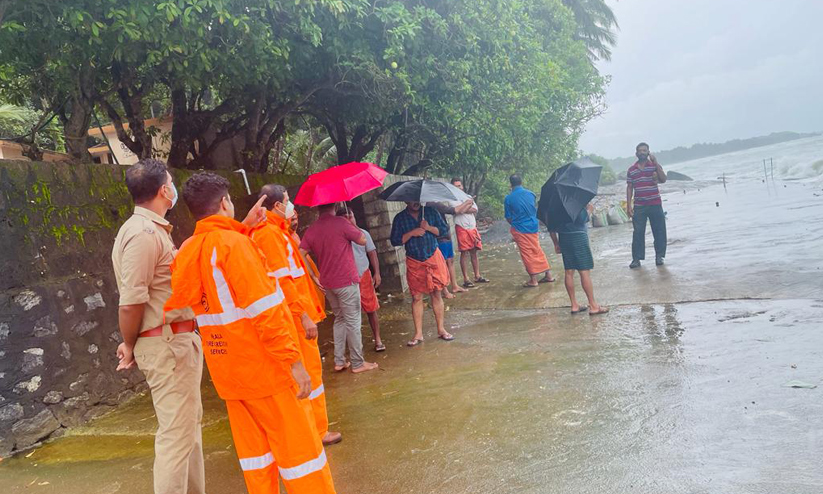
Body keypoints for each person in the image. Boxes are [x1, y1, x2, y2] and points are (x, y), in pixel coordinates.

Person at [164, 172, 336, 493]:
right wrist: (294, 363)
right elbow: (266, 312)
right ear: (225, 202)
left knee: (257, 462)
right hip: (266, 373)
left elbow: (211, 281)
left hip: (230, 377)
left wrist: (241, 225)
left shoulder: (190, 249)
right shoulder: (236, 246)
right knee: (302, 457)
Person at [111, 158, 204, 494]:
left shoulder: (148, 231)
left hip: (175, 342)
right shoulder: (144, 234)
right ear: (165, 190)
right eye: (171, 182)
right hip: (167, 345)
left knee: (187, 429)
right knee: (176, 437)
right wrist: (130, 342)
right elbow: (131, 301)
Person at [252, 184, 342, 447]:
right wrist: (302, 315)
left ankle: (316, 427)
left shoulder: (278, 233)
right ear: (277, 206)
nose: (292, 206)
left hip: (296, 314)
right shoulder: (269, 235)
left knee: (309, 373)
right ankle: (316, 431)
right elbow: (283, 281)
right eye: (288, 201)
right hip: (294, 318)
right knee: (308, 373)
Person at [300, 203, 379, 374]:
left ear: (317, 208)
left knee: (340, 318)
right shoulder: (341, 223)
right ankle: (358, 363)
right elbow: (362, 240)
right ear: (335, 205)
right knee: (352, 321)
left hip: (328, 283)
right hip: (346, 280)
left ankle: (339, 361)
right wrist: (350, 224)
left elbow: (300, 253)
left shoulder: (312, 229)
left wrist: (314, 276)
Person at [390, 202, 454, 346]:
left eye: (416, 198)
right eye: (410, 199)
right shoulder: (400, 218)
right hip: (414, 260)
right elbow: (395, 241)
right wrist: (412, 233)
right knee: (416, 297)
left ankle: (441, 329)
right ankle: (418, 334)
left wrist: (428, 228)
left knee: (436, 293)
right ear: (405, 200)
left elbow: (444, 231)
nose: (414, 202)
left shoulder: (431, 212)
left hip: (432, 256)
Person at [337, 206, 385, 352]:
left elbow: (372, 253)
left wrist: (376, 273)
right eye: (344, 218)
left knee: (371, 308)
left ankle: (378, 339)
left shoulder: (363, 234)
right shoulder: (338, 237)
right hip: (346, 278)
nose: (348, 220)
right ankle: (355, 347)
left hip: (363, 274)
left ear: (354, 216)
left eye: (350, 216)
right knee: (349, 313)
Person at [549, 204, 609, 316]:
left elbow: (551, 227)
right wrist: (589, 210)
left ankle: (574, 305)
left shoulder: (555, 205)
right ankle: (593, 306)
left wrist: (556, 243)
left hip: (564, 238)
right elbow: (582, 219)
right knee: (584, 272)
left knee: (569, 272)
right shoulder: (575, 202)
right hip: (579, 237)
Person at [504, 174, 555, 287]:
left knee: (527, 253)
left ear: (510, 184)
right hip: (533, 225)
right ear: (521, 182)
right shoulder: (531, 194)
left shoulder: (509, 198)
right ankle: (548, 275)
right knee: (537, 249)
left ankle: (533, 280)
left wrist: (515, 224)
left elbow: (508, 217)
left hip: (520, 228)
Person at [627, 142, 667, 268]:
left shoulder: (654, 166)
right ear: (636, 153)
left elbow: (663, 179)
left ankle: (659, 256)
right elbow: (629, 187)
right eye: (640, 150)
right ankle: (636, 259)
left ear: (648, 152)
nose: (642, 152)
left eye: (645, 150)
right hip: (639, 205)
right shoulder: (632, 170)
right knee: (638, 232)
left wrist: (655, 162)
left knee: (659, 230)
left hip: (655, 203)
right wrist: (629, 205)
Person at [449, 178, 488, 288]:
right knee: (464, 253)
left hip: (472, 227)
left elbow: (475, 209)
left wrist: (464, 206)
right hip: (462, 227)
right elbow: (458, 210)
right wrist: (467, 205)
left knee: (474, 251)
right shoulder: (452, 199)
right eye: (456, 186)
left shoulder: (467, 197)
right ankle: (466, 279)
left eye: (460, 185)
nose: (459, 188)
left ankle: (477, 275)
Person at [427, 203, 465, 298]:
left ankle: (455, 285)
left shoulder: (436, 204)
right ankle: (445, 290)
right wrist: (468, 202)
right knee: (442, 265)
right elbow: (454, 210)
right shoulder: (433, 205)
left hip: (446, 237)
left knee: (450, 261)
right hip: (440, 239)